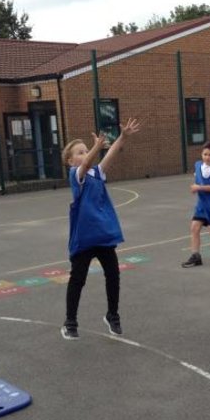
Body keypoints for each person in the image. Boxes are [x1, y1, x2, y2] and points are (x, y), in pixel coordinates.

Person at [60, 118, 141, 340]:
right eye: (80, 152)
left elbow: (110, 156)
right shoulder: (76, 176)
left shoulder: (97, 173)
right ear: (69, 161)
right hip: (84, 237)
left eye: (86, 150)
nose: (84, 154)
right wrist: (96, 147)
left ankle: (112, 315)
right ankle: (70, 322)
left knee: (113, 274)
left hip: (103, 235)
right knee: (78, 279)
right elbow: (86, 165)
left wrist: (123, 137)